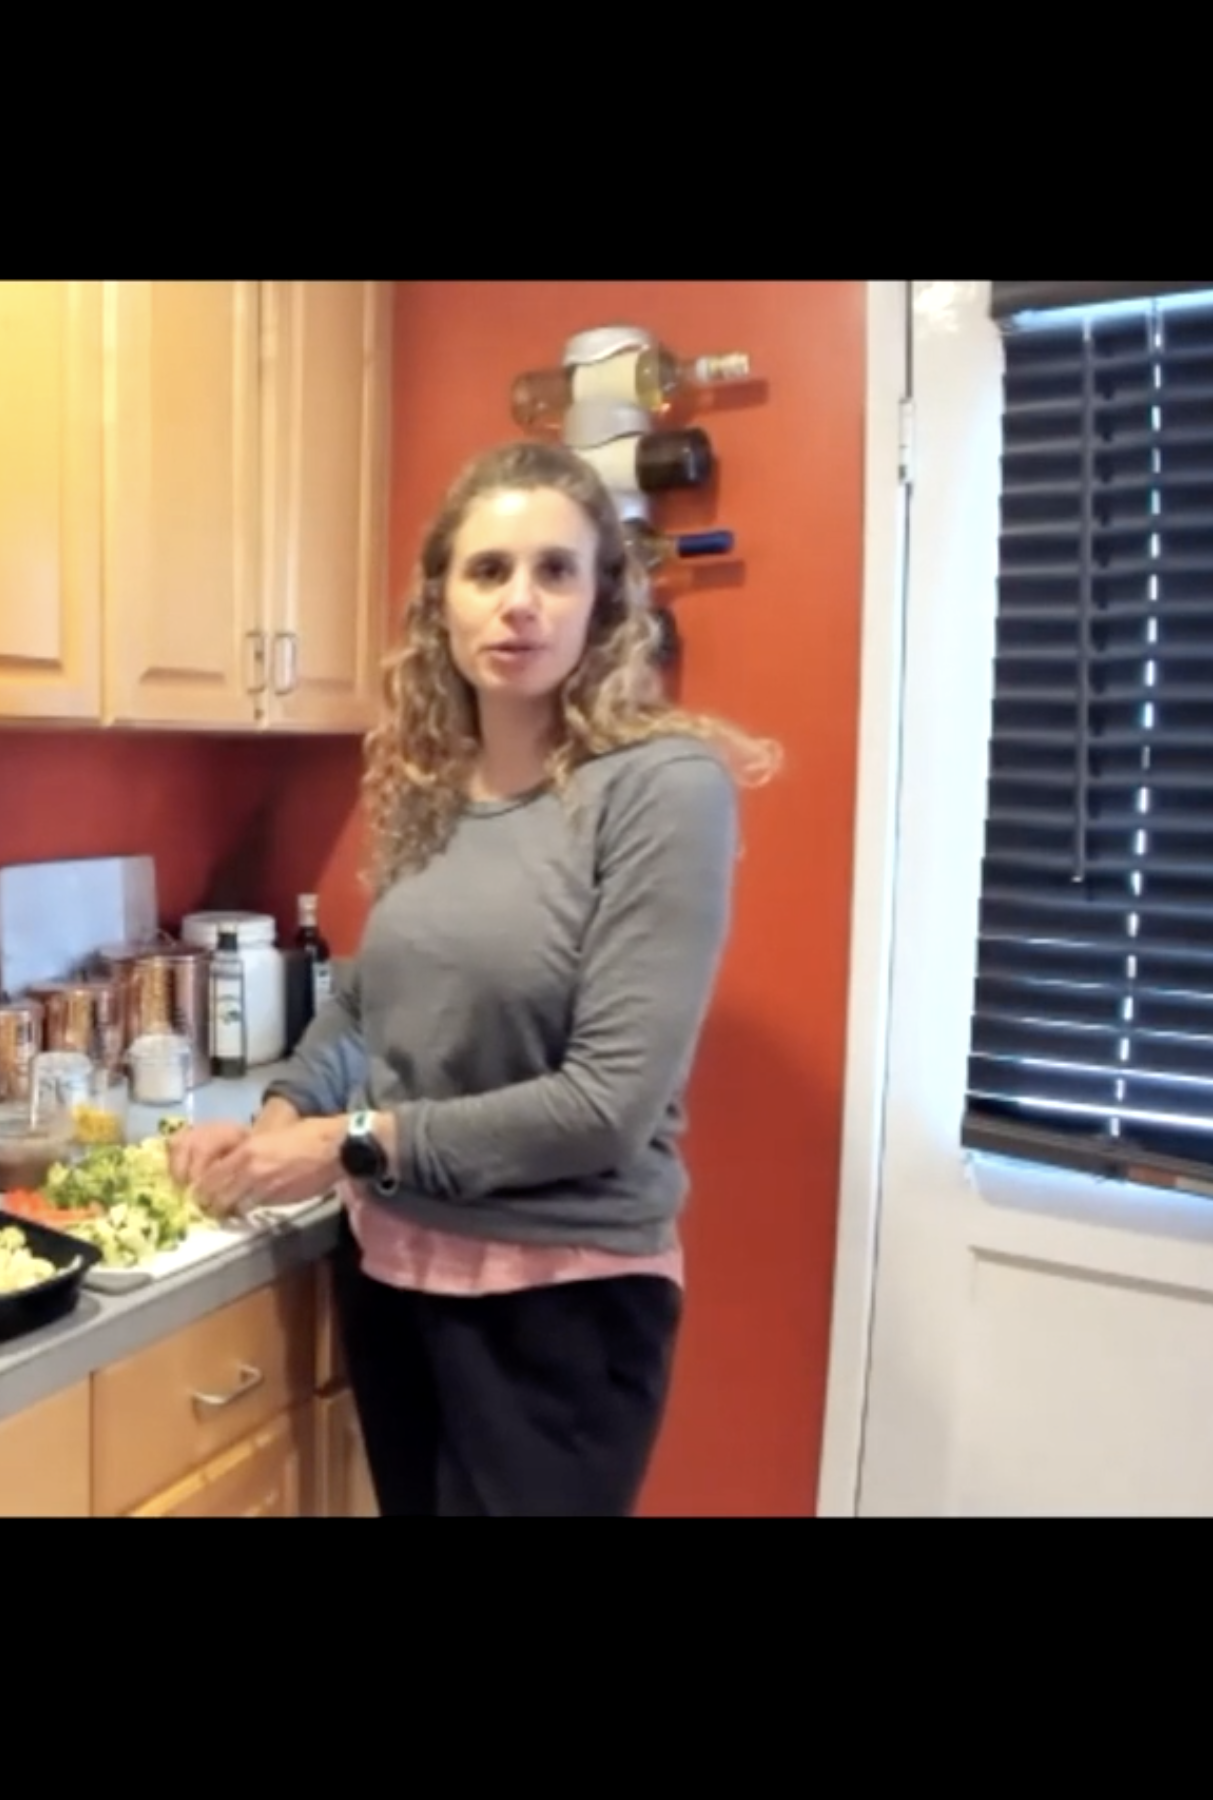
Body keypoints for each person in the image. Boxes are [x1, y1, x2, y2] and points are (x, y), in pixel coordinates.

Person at [166, 439, 778, 1517]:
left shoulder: (659, 790)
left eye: (557, 570)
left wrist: (349, 1143)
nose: (521, 604)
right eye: (488, 571)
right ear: (439, 601)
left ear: (603, 603)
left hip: (562, 1307)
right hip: (394, 1277)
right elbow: (365, 997)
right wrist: (276, 1119)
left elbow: (606, 1107)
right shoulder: (429, 786)